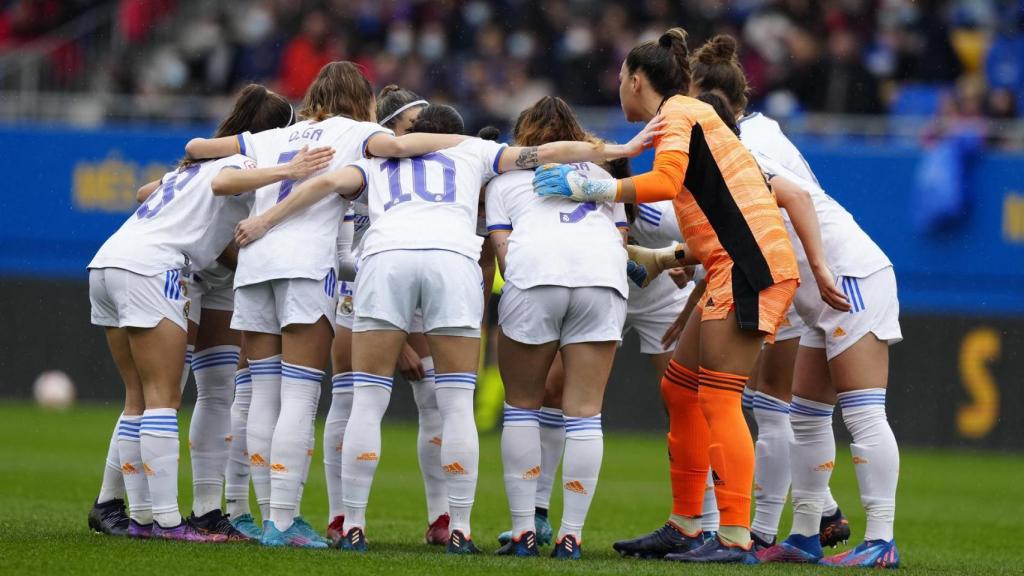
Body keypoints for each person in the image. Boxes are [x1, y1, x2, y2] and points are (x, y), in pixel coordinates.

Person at [233, 102, 662, 554]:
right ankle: (460, 526)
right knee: (457, 404)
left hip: (387, 258)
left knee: (367, 397)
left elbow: (325, 183)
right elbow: (549, 152)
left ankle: (353, 523)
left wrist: (265, 219)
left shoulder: (379, 159)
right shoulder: (477, 151)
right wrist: (620, 147)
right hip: (455, 260)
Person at [534, 27, 799, 564]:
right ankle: (686, 525)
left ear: (636, 79)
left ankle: (734, 536)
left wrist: (598, 187)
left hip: (748, 269)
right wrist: (669, 258)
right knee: (681, 390)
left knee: (719, 397)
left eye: (618, 80)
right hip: (737, 263)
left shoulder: (680, 113)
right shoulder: (686, 116)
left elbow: (666, 179)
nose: (617, 89)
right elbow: (727, 210)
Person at [186, 61, 471, 549]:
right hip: (303, 266)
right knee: (298, 398)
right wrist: (471, 147)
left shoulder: (276, 135)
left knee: (261, 394)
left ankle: (257, 515)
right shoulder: (357, 132)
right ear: (361, 99)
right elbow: (400, 146)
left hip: (253, 264)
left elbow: (196, 150)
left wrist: (279, 169)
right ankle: (283, 519)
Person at [692, 36, 903, 568]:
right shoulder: (755, 134)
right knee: (807, 416)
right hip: (818, 295)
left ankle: (881, 540)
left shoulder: (743, 152)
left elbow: (799, 197)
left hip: (848, 276)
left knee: (863, 413)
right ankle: (807, 534)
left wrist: (823, 267)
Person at [86, 83, 303, 542]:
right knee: (162, 396)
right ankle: (162, 520)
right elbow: (225, 184)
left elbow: (148, 190)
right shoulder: (245, 163)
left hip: (114, 261)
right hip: (160, 267)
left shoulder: (201, 163)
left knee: (152, 396)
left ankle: (150, 516)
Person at [486, 96, 630, 560]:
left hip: (536, 277)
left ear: (523, 134)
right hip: (602, 279)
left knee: (522, 407)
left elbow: (504, 254)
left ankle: (524, 530)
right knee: (586, 414)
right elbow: (621, 241)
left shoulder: (505, 180)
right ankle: (572, 535)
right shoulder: (605, 177)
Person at [323, 85, 454, 547]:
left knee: (435, 402)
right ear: (393, 128)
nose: (424, 130)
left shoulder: (437, 171)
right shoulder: (367, 169)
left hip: (417, 289)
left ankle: (442, 517)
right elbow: (342, 252)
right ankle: (341, 515)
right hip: (361, 293)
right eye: (415, 122)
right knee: (350, 400)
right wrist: (393, 335)